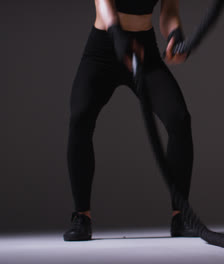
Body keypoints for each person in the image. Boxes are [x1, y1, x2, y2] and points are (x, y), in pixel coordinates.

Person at [63, 0, 196, 241]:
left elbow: (169, 11)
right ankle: (81, 216)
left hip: (143, 48)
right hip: (104, 45)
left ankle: (181, 216)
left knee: (179, 119)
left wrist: (175, 34)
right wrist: (116, 33)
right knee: (80, 117)